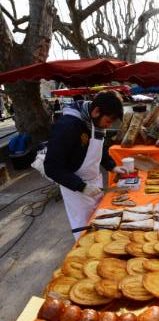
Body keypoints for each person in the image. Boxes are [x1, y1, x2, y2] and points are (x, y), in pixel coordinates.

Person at [44, 91, 127, 239]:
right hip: (76, 189)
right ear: (96, 111)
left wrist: (112, 166)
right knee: (86, 230)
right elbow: (52, 167)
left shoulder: (95, 122)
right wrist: (81, 186)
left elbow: (98, 148)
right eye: (108, 121)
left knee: (101, 223)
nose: (108, 126)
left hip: (95, 182)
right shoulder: (66, 126)